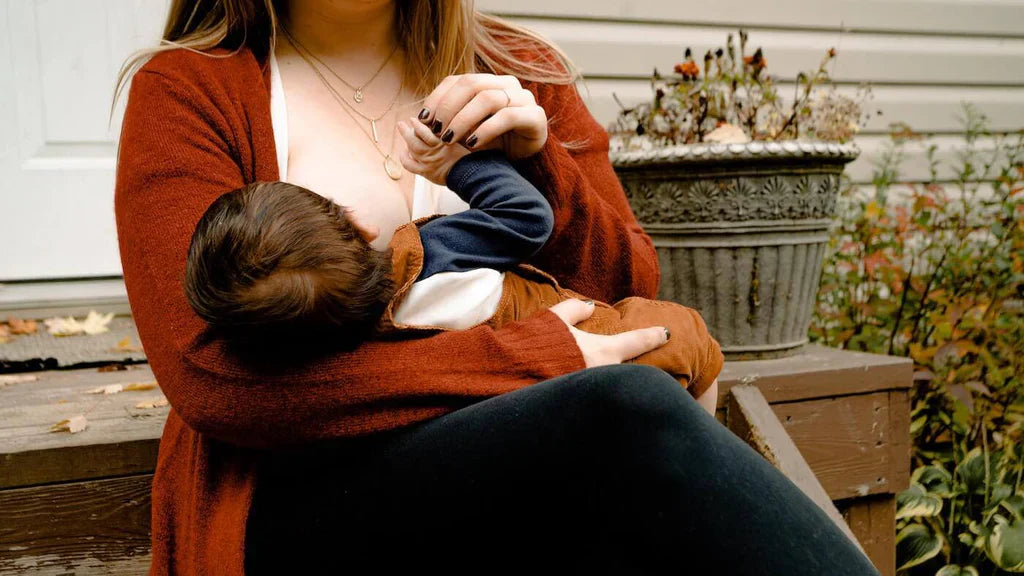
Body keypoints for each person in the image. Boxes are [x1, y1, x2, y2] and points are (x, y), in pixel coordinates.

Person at [113, 1, 882, 574]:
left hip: (526, 461)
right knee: (626, 408)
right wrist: (539, 355)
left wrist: (540, 162)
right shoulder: (190, 89)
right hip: (309, 492)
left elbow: (624, 288)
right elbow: (216, 378)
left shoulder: (518, 67)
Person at [182, 146, 723, 408]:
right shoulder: (428, 254)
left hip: (534, 403)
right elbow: (527, 217)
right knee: (693, 338)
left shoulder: (351, 347)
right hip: (601, 339)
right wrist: (456, 165)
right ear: (355, 221)